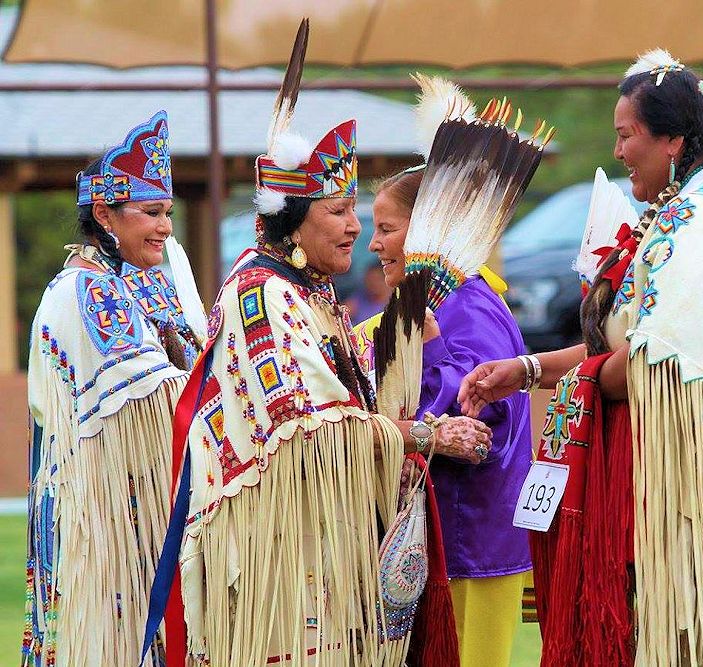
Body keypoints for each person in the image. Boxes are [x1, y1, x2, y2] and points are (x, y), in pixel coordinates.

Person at [459, 49, 703, 665]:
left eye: (626, 135)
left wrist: (577, 386)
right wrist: (530, 371)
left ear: (671, 139)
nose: (618, 151)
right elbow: (635, 348)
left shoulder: (698, 223)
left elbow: (658, 362)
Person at [148, 95, 493, 662]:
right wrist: (430, 436)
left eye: (354, 211)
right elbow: (308, 426)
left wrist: (403, 351)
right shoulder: (261, 292)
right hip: (273, 548)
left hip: (310, 540)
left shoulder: (308, 290)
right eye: (337, 212)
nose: (355, 228)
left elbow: (334, 388)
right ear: (292, 218)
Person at [22, 110, 201, 666]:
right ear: (104, 213)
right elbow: (162, 400)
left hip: (143, 507)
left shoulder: (140, 280)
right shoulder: (84, 292)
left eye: (168, 212)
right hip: (100, 522)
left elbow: (193, 364)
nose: (166, 227)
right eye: (151, 212)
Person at [364, 165, 533, 667]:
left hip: (470, 538)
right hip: (454, 536)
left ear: (428, 233)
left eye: (387, 229)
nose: (373, 244)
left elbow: (484, 422)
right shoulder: (451, 299)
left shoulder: (467, 304)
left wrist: (431, 348)